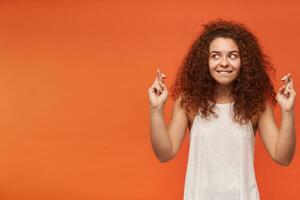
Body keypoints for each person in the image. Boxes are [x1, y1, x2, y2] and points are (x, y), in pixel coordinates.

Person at [148, 19, 296, 200]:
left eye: (232, 55)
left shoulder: (257, 104)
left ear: (244, 61)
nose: (224, 63)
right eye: (215, 55)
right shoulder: (189, 102)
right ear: (205, 60)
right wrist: (156, 109)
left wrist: (288, 113)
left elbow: (283, 157)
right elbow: (165, 153)